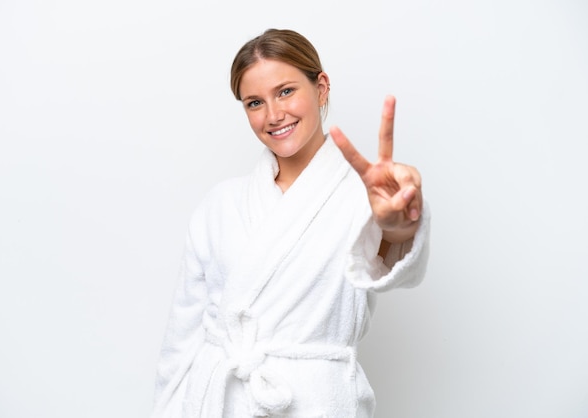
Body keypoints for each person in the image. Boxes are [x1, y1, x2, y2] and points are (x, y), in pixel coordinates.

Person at [150, 28, 430, 418]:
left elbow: (393, 261)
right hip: (218, 403)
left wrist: (400, 224)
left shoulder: (363, 197)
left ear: (321, 88)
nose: (273, 115)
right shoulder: (220, 204)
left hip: (318, 403)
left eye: (285, 91)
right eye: (254, 102)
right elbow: (181, 341)